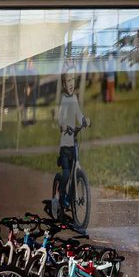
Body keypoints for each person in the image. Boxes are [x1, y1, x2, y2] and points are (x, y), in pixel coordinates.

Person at [55, 62, 89, 212]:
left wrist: (84, 120)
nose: (71, 83)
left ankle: (70, 198)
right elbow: (60, 118)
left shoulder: (74, 98)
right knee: (67, 173)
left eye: (73, 79)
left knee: (75, 169)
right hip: (65, 145)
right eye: (68, 80)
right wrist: (63, 125)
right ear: (64, 84)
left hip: (73, 143)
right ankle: (61, 194)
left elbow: (78, 114)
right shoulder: (64, 99)